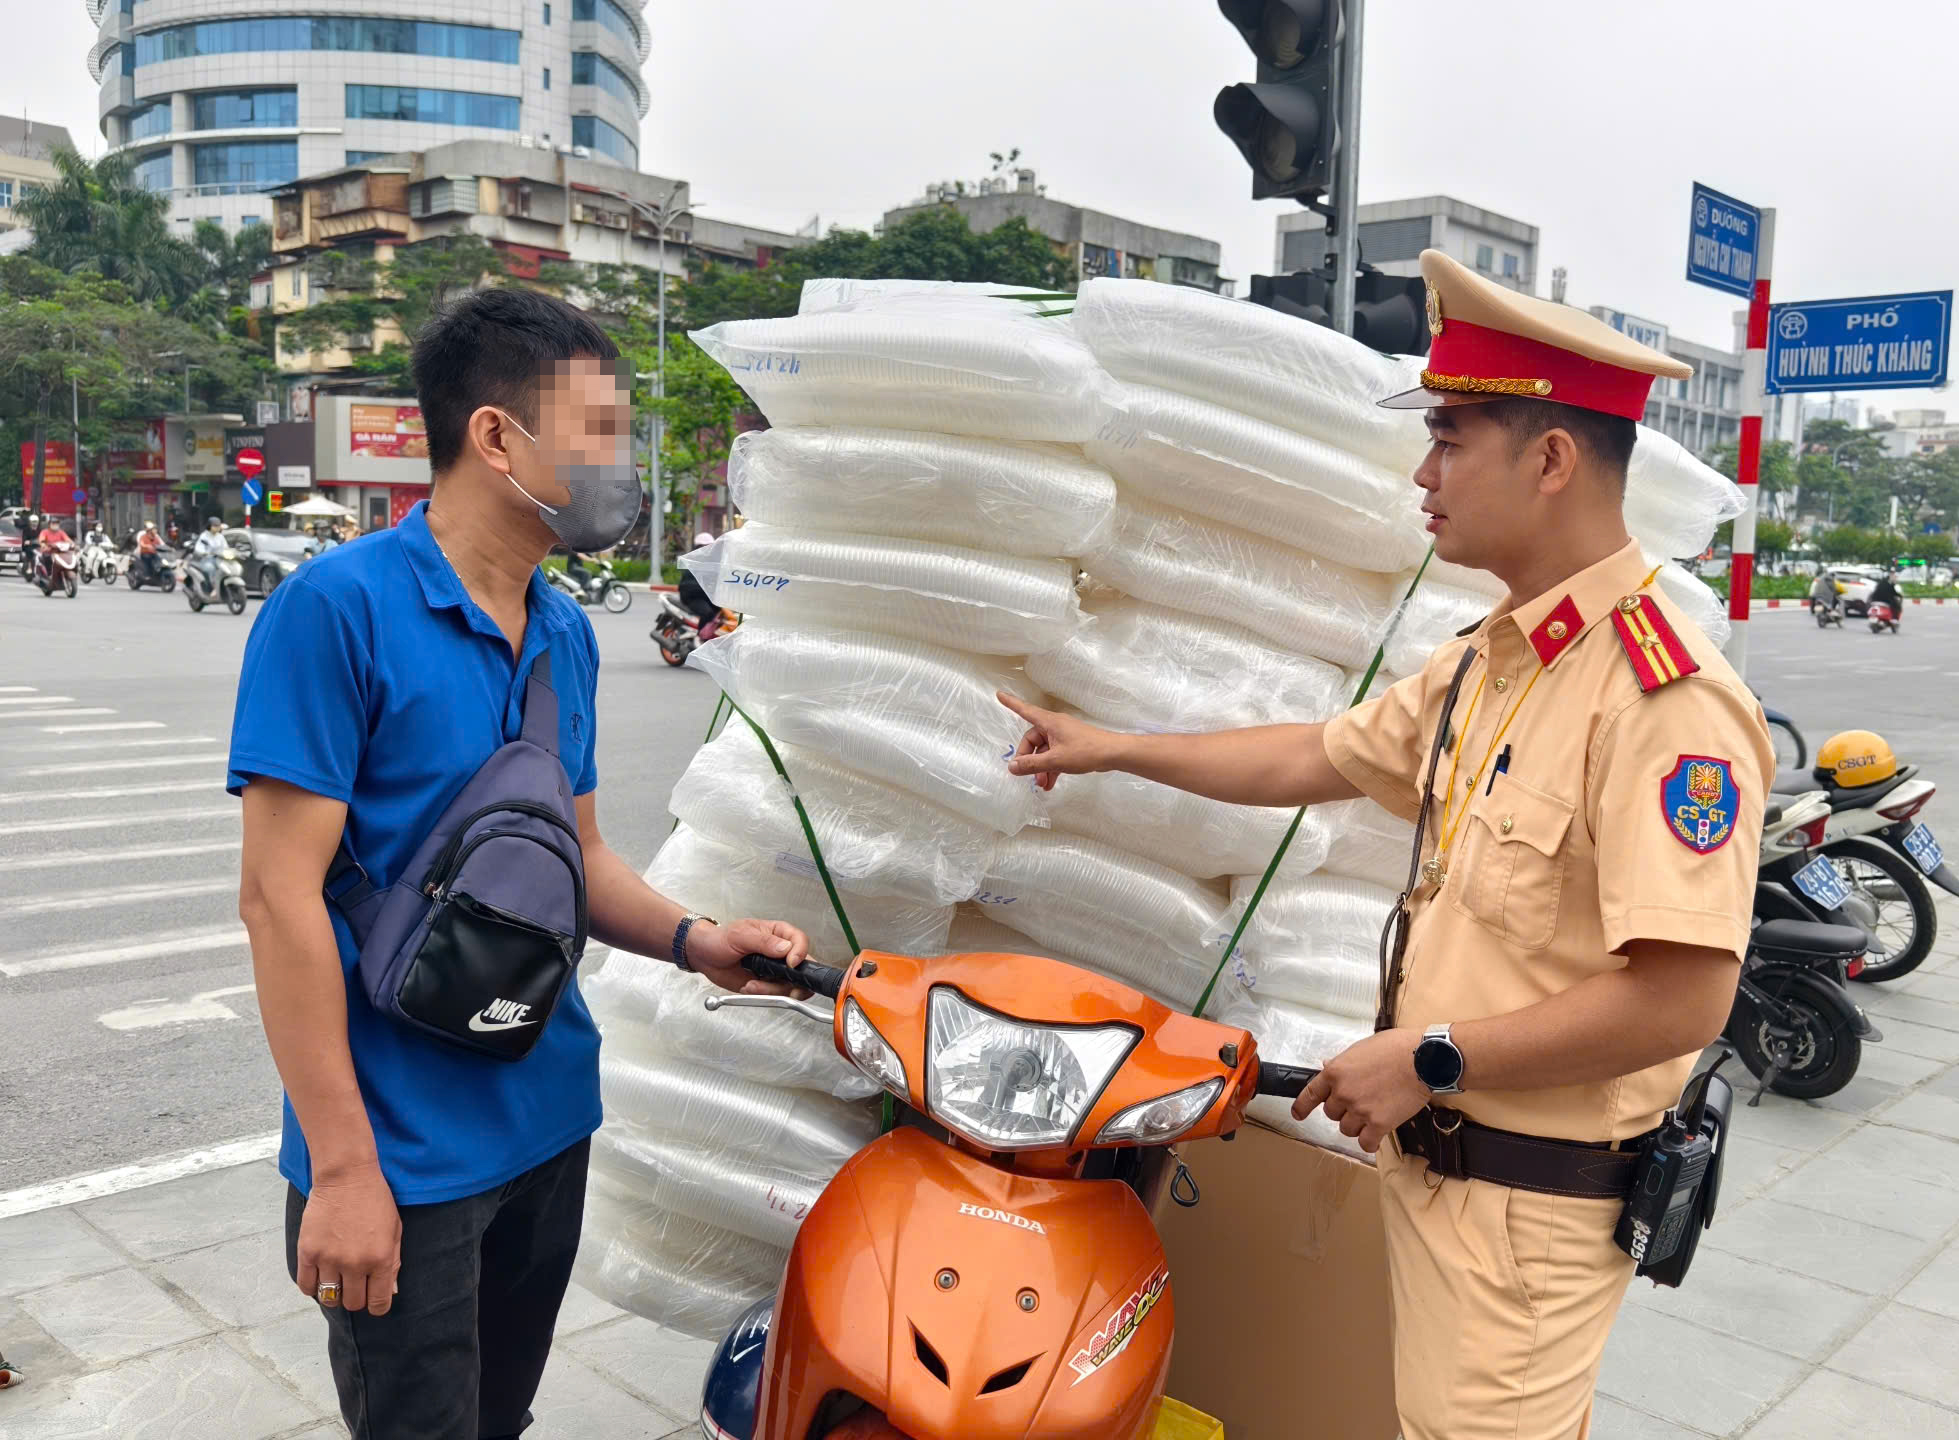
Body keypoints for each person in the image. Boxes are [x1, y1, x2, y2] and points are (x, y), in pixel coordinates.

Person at [1000, 249, 1770, 1440]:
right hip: (1445, 1173)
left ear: (1550, 459)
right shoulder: (1494, 661)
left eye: (1450, 439)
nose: (1424, 473)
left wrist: (1435, 1059)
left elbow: (1683, 997)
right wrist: (1114, 748)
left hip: (1527, 1214)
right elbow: (1313, 756)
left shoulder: (1663, 702)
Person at [229, 288, 817, 1440]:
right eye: (600, 430)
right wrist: (343, 1171)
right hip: (401, 1152)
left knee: (501, 1418)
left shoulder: (563, 634)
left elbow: (577, 855)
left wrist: (698, 940)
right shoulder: (336, 611)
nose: (623, 463)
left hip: (547, 1117)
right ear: (497, 436)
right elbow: (277, 898)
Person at [189, 516, 229, 594]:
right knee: (210, 568)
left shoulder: (220, 536)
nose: (217, 528)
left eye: (218, 526)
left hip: (219, 559)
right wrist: (204, 552)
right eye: (215, 526)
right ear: (209, 526)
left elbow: (225, 547)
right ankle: (212, 587)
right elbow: (199, 548)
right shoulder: (204, 536)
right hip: (207, 559)